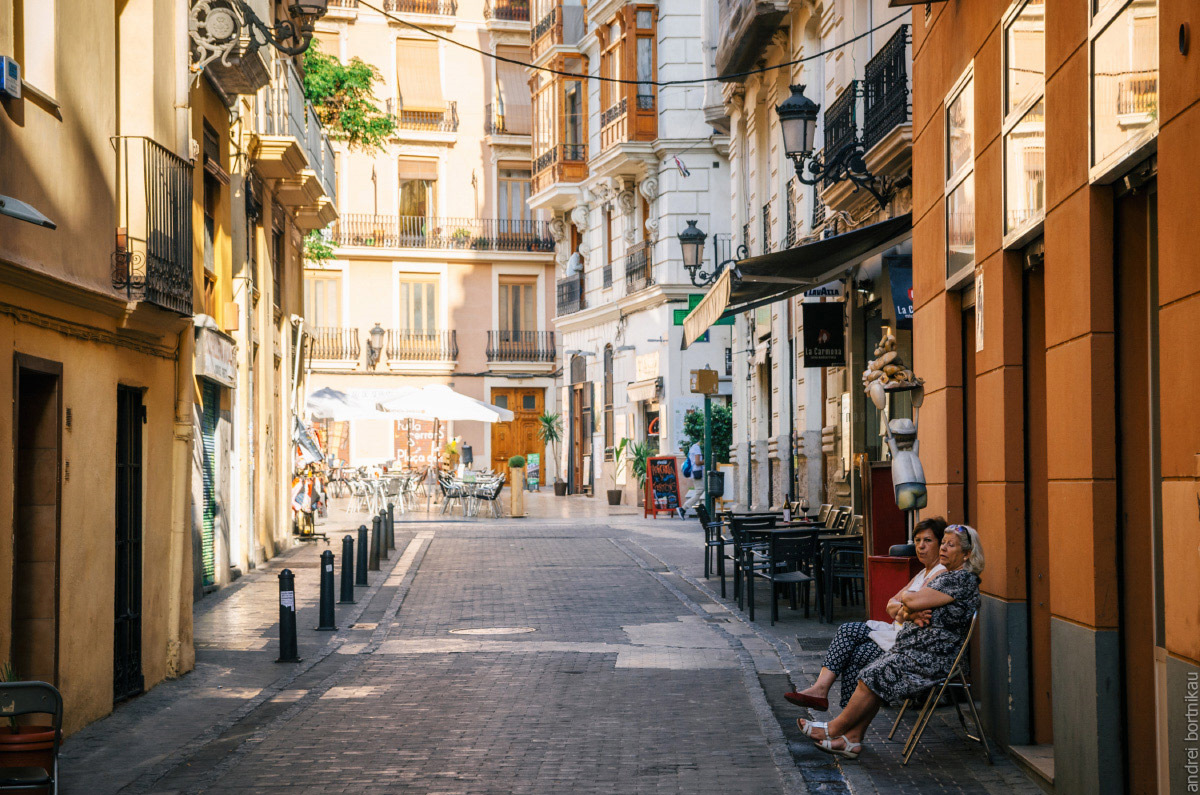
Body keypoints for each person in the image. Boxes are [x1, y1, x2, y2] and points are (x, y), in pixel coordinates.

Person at [798, 524, 985, 759]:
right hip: (913, 651)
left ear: (967, 554)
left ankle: (834, 728)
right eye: (944, 543)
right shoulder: (947, 576)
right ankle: (851, 740)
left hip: (931, 660)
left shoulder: (961, 579)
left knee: (872, 676)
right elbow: (904, 603)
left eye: (951, 545)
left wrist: (909, 600)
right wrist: (911, 603)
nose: (944, 548)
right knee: (871, 670)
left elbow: (911, 601)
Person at [784, 517, 948, 711]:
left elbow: (911, 608)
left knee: (850, 636)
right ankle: (843, 719)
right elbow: (891, 605)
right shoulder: (922, 573)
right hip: (894, 633)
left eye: (928, 540)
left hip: (908, 644)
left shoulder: (941, 573)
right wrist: (906, 611)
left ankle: (830, 703)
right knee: (854, 649)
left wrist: (904, 610)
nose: (920, 546)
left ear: (940, 544)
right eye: (918, 540)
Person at [677, 440, 704, 518]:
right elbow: (697, 462)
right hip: (697, 473)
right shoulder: (696, 448)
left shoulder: (693, 447)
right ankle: (683, 508)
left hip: (696, 473)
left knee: (701, 491)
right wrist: (707, 461)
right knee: (699, 491)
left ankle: (700, 510)